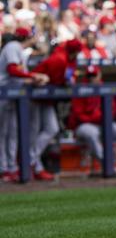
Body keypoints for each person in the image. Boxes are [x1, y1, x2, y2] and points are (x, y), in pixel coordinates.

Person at [68, 66, 116, 176]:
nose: (91, 79)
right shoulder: (81, 89)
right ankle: (109, 165)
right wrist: (96, 117)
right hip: (85, 125)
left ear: (99, 75)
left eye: (94, 76)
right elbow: (79, 115)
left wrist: (101, 117)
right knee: (91, 133)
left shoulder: (105, 88)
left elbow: (114, 111)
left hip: (103, 122)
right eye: (89, 76)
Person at [0, 28, 49, 182]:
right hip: (4, 93)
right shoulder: (12, 46)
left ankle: (11, 167)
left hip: (14, 94)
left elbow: (19, 74)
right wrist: (34, 76)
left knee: (12, 133)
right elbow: (12, 69)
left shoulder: (20, 49)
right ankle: (4, 169)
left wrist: (32, 79)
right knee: (3, 134)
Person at [30, 38, 83, 179]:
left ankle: (32, 160)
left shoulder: (69, 59)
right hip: (32, 97)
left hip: (46, 100)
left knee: (52, 129)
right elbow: (56, 80)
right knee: (32, 133)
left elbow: (66, 78)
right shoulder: (59, 59)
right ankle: (31, 164)